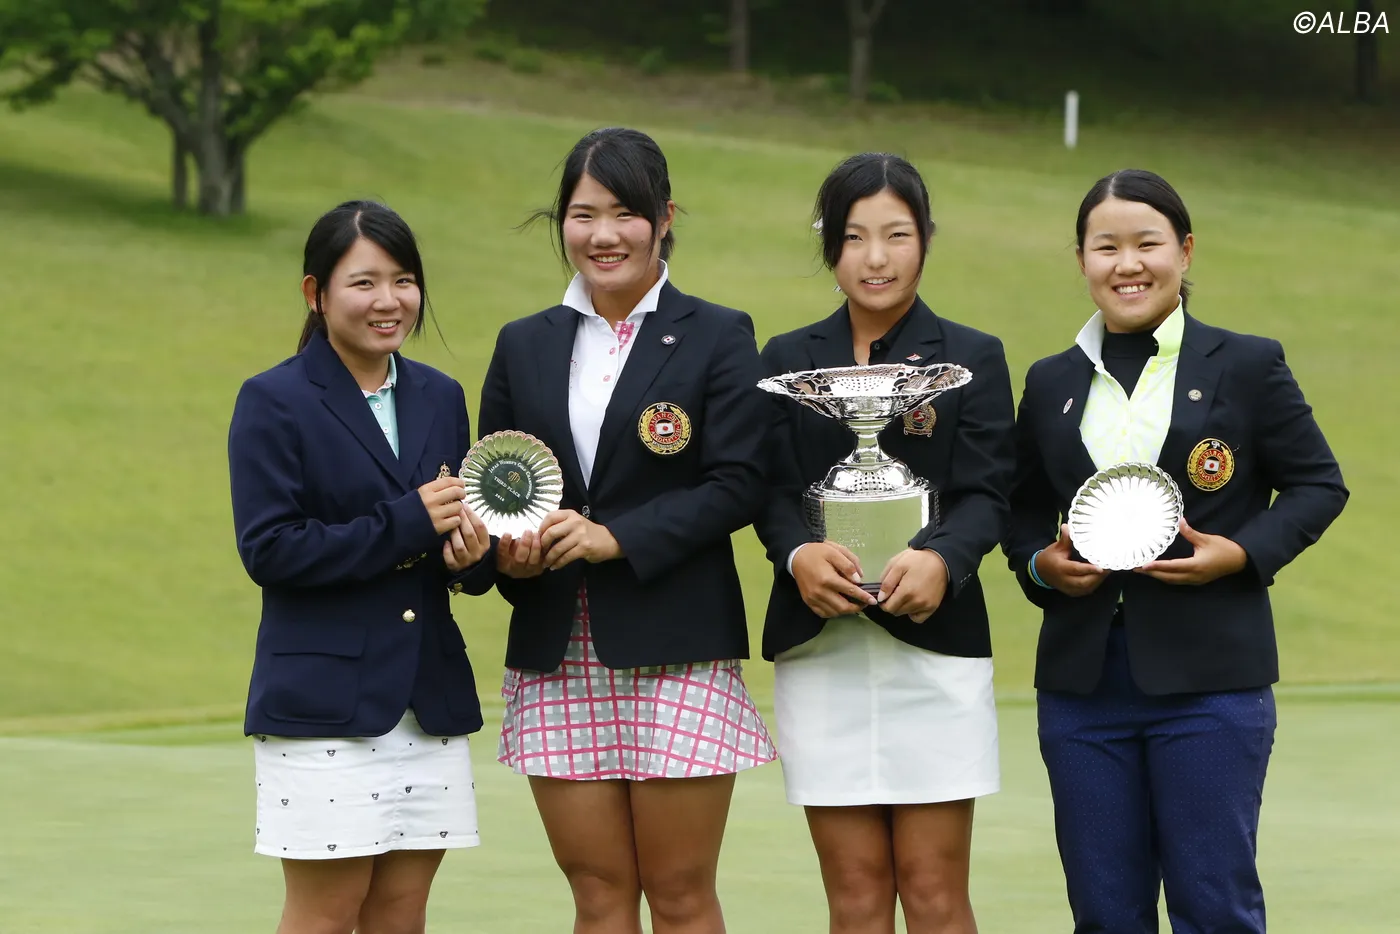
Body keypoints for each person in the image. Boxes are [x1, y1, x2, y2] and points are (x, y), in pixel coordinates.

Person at [1003, 169, 1349, 933]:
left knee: (1213, 908)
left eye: (1147, 244)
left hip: (1211, 684)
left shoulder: (1247, 364)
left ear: (1185, 251)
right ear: (1082, 260)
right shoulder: (1052, 381)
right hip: (1082, 687)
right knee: (1104, 913)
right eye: (1106, 247)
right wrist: (1039, 566)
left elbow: (1319, 485)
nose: (1127, 264)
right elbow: (1021, 508)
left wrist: (1241, 554)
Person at [477, 126, 777, 934]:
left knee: (679, 893)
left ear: (664, 217)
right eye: (583, 214)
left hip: (677, 646)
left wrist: (618, 538)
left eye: (624, 213)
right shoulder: (523, 344)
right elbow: (496, 485)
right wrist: (512, 554)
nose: (603, 235)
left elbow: (740, 482)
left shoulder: (718, 333)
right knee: (598, 895)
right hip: (557, 650)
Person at [755, 152, 1015, 934]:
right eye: (855, 236)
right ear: (829, 244)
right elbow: (765, 490)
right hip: (821, 650)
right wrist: (797, 555)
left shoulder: (972, 356)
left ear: (926, 238)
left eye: (897, 234)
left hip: (935, 652)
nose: (876, 257)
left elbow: (987, 492)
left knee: (934, 893)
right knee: (856, 897)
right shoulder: (786, 360)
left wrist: (942, 559)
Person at [228, 200, 495, 934]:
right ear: (315, 294)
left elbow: (456, 549)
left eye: (404, 280)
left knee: (402, 915)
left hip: (426, 700)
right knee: (324, 915)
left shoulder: (440, 395)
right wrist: (410, 521)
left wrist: (472, 558)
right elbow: (270, 549)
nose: (389, 301)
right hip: (323, 707)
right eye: (364, 282)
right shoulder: (274, 399)